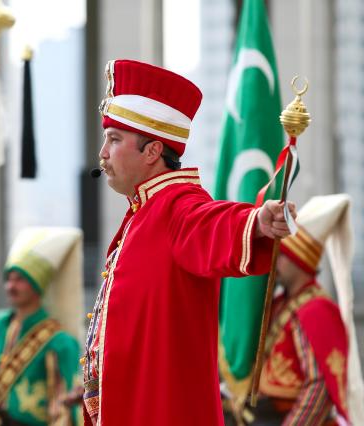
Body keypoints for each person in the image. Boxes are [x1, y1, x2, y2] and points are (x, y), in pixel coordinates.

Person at [82, 59, 296, 426]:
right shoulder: (140, 214)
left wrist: (255, 221)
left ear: (151, 152)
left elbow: (214, 223)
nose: (103, 153)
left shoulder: (178, 206)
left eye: (114, 139)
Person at [255, 194, 364, 425]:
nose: (275, 261)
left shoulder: (317, 309)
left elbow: (320, 384)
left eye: (282, 255)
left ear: (301, 260)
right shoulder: (279, 303)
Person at [0, 227, 84, 426]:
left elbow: (64, 408)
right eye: (9, 279)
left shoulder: (59, 340)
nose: (11, 286)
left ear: (37, 284)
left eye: (20, 280)